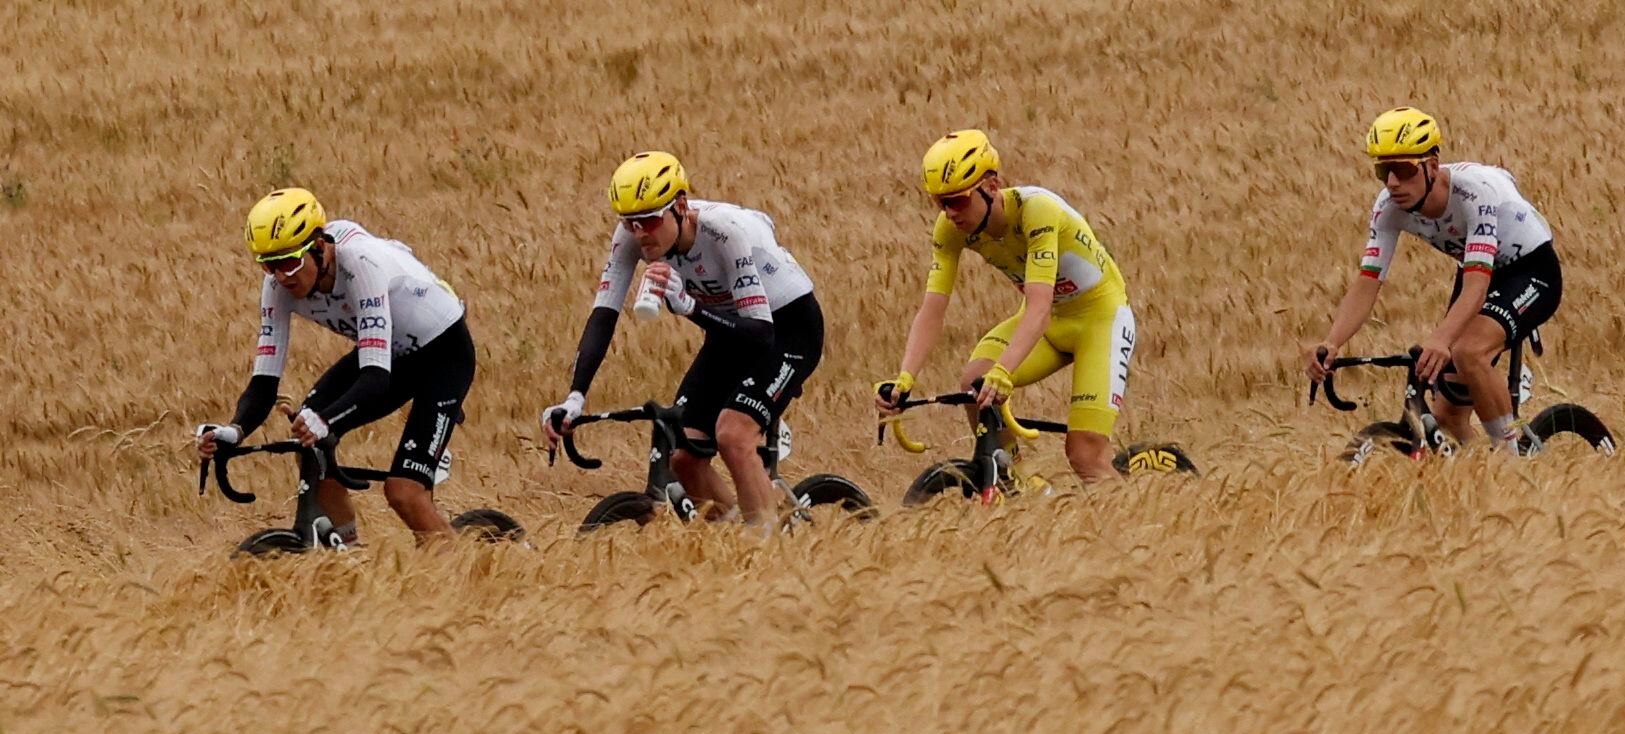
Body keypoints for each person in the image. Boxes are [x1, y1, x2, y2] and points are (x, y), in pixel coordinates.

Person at [541, 151, 823, 527]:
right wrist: (575, 397)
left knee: (733, 435)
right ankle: (743, 541)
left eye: (650, 220)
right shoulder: (632, 237)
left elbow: (760, 335)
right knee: (683, 456)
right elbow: (604, 314)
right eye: (630, 222)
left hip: (787, 329)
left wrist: (690, 307)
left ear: (681, 206)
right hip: (728, 332)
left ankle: (768, 558)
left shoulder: (725, 234)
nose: (640, 232)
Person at [195, 187, 474, 542]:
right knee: (309, 446)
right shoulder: (277, 286)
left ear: (320, 246)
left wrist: (325, 420)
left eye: (290, 261)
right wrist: (233, 431)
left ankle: (464, 584)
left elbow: (374, 378)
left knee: (404, 492)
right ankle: (349, 558)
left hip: (442, 353)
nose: (281, 276)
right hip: (390, 353)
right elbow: (264, 383)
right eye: (269, 264)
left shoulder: (360, 264)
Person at [875, 129, 1138, 482]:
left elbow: (1040, 305)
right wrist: (905, 378)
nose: (949, 213)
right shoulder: (951, 229)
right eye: (940, 202)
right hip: (1051, 322)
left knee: (1085, 456)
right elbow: (933, 309)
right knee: (974, 385)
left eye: (957, 200)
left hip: (1100, 321)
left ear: (992, 186)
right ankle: (1020, 487)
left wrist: (1005, 372)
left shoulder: (1037, 211)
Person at [1304, 107, 1561, 452]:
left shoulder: (1475, 193)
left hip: (1530, 271)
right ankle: (1478, 477)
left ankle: (1512, 463)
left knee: (1469, 352)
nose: (1393, 182)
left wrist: (1441, 339)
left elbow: (1477, 286)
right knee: (1449, 417)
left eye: (1403, 169)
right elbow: (1368, 282)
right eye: (1383, 170)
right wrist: (1333, 342)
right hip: (1475, 268)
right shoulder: (1388, 207)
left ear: (1432, 165)